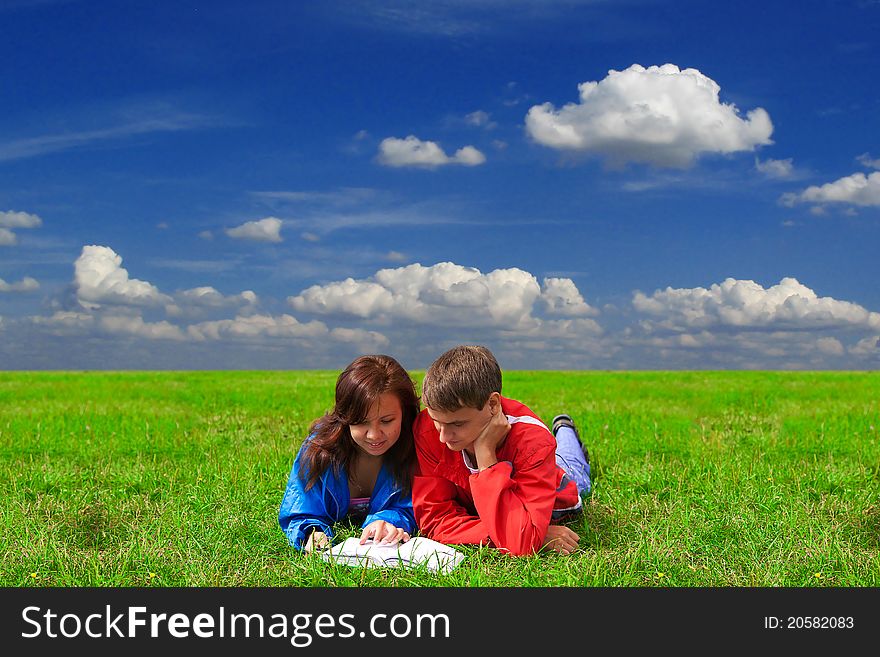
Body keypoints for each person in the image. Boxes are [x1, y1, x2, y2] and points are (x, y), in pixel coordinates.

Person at [412, 345, 592, 557]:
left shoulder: (534, 442)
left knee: (573, 469)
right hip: (500, 506)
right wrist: (509, 532)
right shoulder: (426, 429)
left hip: (557, 482)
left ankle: (565, 428)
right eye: (437, 422)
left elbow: (520, 544)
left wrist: (485, 454)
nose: (443, 437)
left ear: (493, 404)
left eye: (458, 424)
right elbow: (435, 520)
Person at [279, 355, 420, 553]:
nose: (374, 435)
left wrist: (388, 520)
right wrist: (312, 532)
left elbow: (420, 505)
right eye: (361, 422)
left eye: (387, 420)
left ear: (405, 414)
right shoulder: (319, 450)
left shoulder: (418, 448)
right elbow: (300, 509)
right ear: (345, 417)